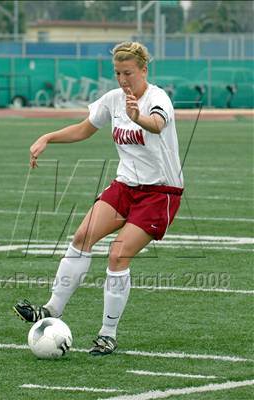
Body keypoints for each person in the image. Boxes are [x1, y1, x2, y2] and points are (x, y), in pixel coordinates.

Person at [13, 41, 184, 356]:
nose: (123, 79)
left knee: (118, 255)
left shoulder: (157, 99)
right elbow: (83, 129)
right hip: (125, 186)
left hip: (160, 192)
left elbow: (158, 125)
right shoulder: (114, 100)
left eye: (128, 73)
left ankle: (108, 334)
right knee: (81, 237)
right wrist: (47, 137)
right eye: (118, 73)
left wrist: (138, 117)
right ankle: (50, 310)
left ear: (144, 70)